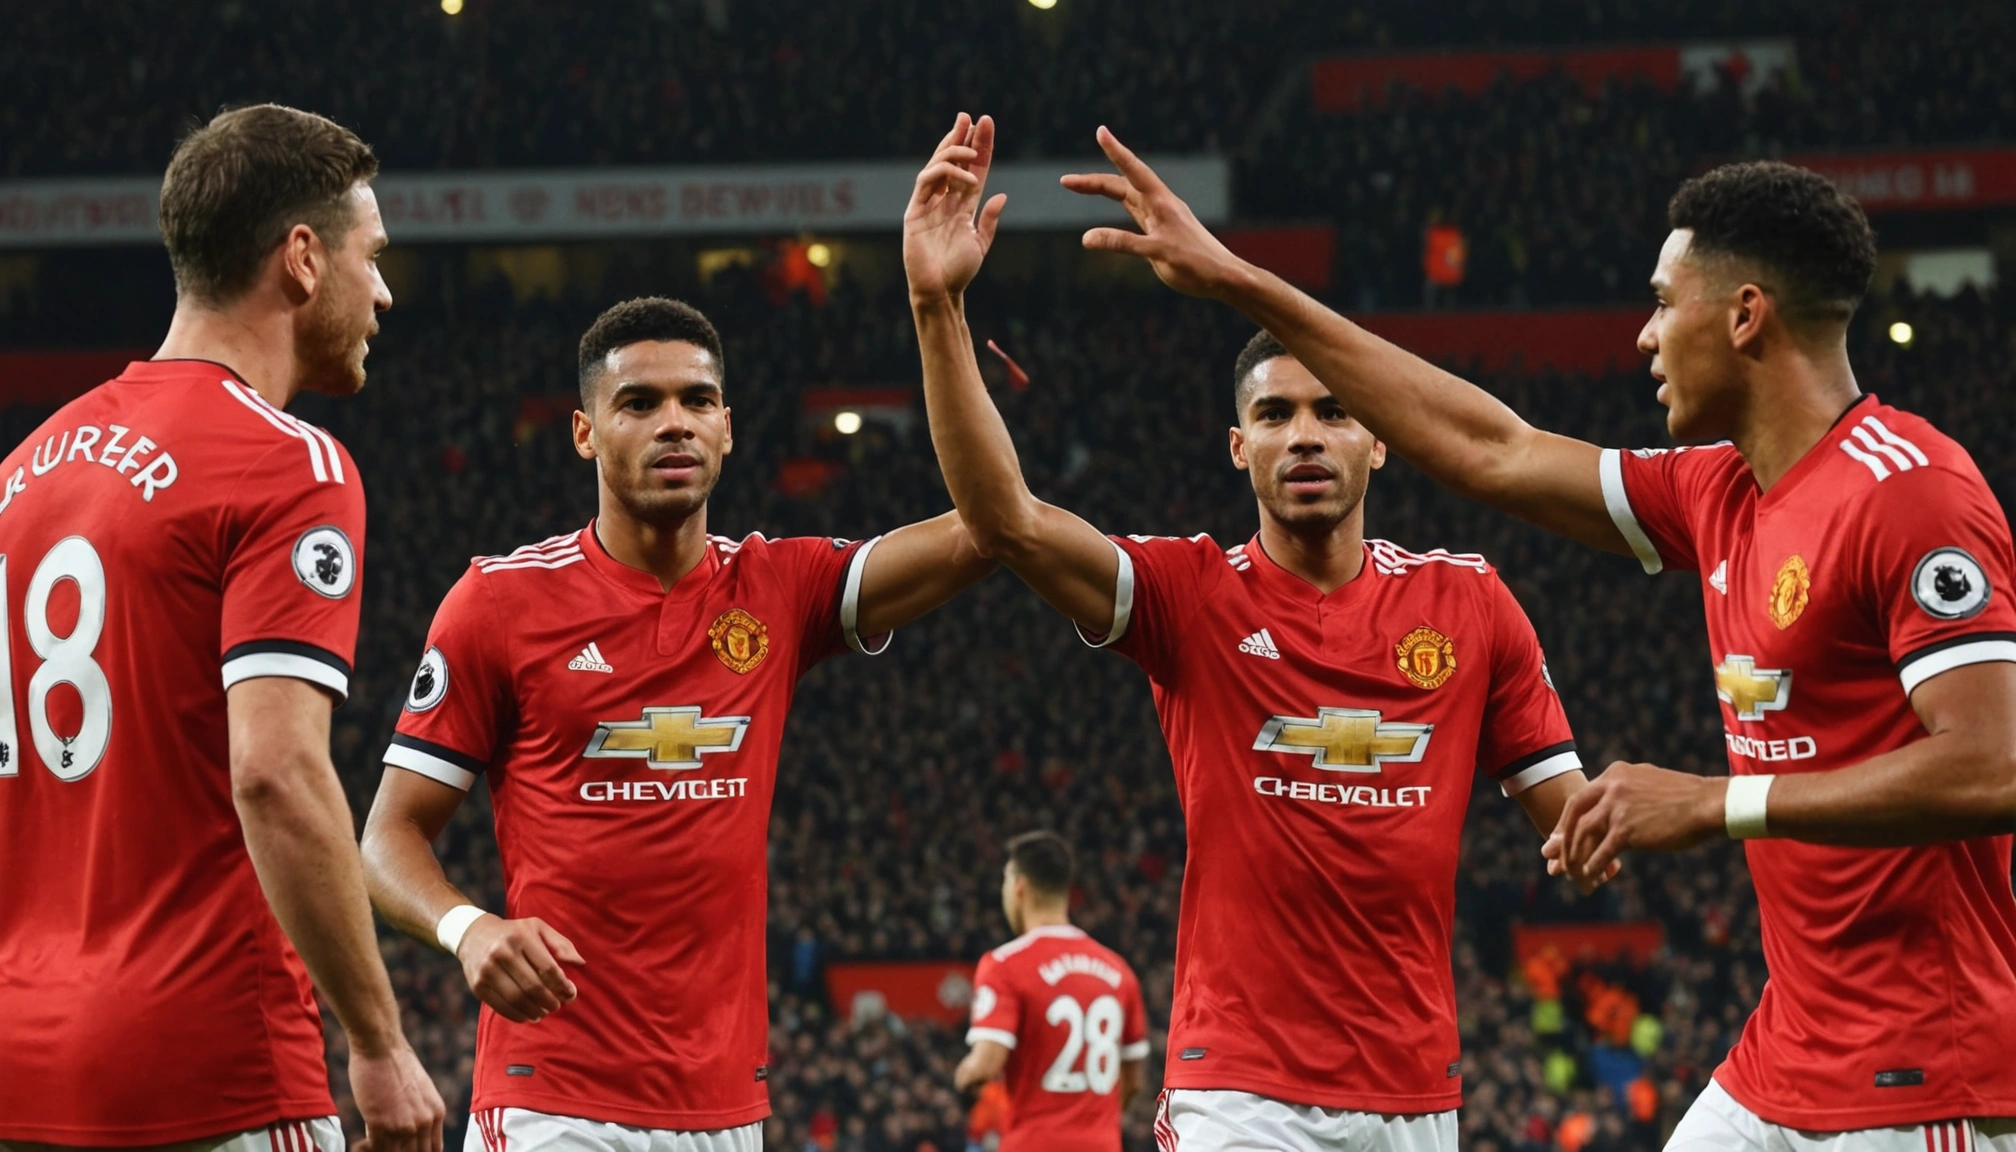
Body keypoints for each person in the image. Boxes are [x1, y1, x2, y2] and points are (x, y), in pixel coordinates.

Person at [1060, 130, 2016, 1148]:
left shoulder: (1907, 492)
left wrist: (1716, 802)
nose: (1644, 336)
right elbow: (1496, 450)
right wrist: (1242, 283)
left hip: (1926, 1070)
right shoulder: (1718, 493)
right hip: (1788, 1054)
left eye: (1663, 302)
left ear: (1745, 316)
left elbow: (1995, 763)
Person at [905, 113, 1593, 1152]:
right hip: (1241, 1095)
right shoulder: (1190, 595)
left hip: (1417, 1095)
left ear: (1381, 439)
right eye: (1275, 417)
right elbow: (1009, 522)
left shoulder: (1469, 601)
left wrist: (1687, 808)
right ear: (1239, 447)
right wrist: (937, 306)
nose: (1305, 436)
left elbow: (1574, 823)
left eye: (1333, 411)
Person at [359, 296, 995, 1150]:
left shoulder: (779, 589)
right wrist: (468, 929)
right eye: (639, 402)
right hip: (553, 1105)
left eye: (697, 401)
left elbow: (989, 528)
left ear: (727, 429)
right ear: (585, 433)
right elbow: (387, 837)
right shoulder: (500, 603)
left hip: (725, 1111)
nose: (674, 423)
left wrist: (936, 306)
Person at [0, 105, 443, 1151]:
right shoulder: (286, 464)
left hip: (20, 1065)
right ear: (303, 259)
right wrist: (378, 1040)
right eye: (373, 256)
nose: (383, 291)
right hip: (204, 1067)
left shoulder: (21, 475)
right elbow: (275, 773)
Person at [955, 831, 1151, 1152]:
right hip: (1102, 1144)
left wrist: (963, 1075)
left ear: (1018, 888)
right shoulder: (1118, 971)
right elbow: (1133, 1081)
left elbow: (986, 1064)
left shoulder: (1004, 965)